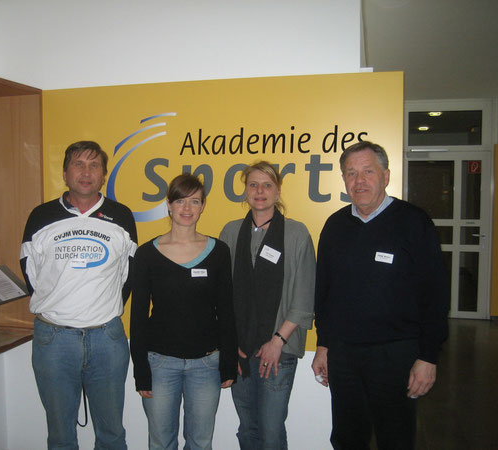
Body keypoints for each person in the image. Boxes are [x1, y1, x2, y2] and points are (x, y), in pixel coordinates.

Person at [311, 141, 449, 450]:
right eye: (351, 173)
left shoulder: (414, 222)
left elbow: (435, 294)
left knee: (395, 438)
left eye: (367, 172)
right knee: (347, 437)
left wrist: (428, 356)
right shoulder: (335, 226)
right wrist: (323, 344)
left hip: (395, 355)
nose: (359, 181)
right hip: (344, 355)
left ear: (385, 176)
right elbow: (326, 293)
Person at [20, 140, 137, 450]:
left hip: (107, 339)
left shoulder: (121, 216)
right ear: (65, 172)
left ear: (104, 174)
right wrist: (59, 305)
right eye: (79, 164)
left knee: (112, 434)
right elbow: (30, 271)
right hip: (54, 340)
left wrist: (101, 308)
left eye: (94, 165)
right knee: (60, 436)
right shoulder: (41, 215)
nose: (86, 172)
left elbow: (128, 273)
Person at [130, 173, 237, 450]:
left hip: (206, 365)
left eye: (194, 201)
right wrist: (140, 369)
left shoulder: (219, 252)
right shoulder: (147, 254)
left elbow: (226, 311)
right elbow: (138, 317)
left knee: (200, 442)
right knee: (161, 442)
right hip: (160, 364)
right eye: (180, 201)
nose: (187, 209)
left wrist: (227, 363)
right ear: (168, 205)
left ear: (203, 206)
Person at [220, 161, 316, 450]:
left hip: (280, 350)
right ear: (245, 191)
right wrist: (230, 341)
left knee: (271, 432)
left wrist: (278, 340)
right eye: (253, 184)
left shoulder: (297, 234)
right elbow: (222, 295)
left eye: (267, 185)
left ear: (277, 192)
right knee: (247, 428)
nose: (259, 191)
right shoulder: (231, 232)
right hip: (240, 349)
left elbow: (304, 296)